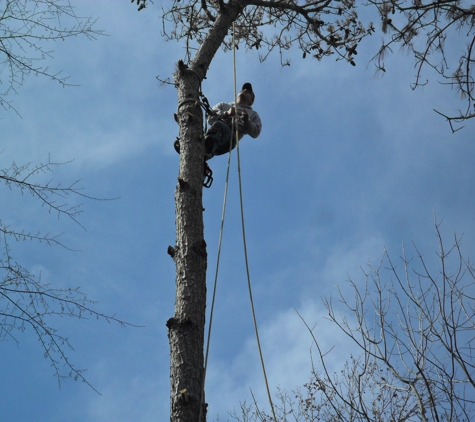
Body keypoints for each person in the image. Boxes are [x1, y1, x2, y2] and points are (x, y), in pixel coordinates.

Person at [204, 82, 262, 158]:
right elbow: (210, 118)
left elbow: (256, 132)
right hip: (216, 135)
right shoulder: (223, 105)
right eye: (243, 90)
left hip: (231, 138)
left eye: (248, 92)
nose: (244, 90)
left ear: (251, 101)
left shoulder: (253, 114)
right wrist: (226, 113)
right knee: (205, 145)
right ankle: (202, 157)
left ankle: (205, 148)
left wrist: (247, 121)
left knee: (219, 126)